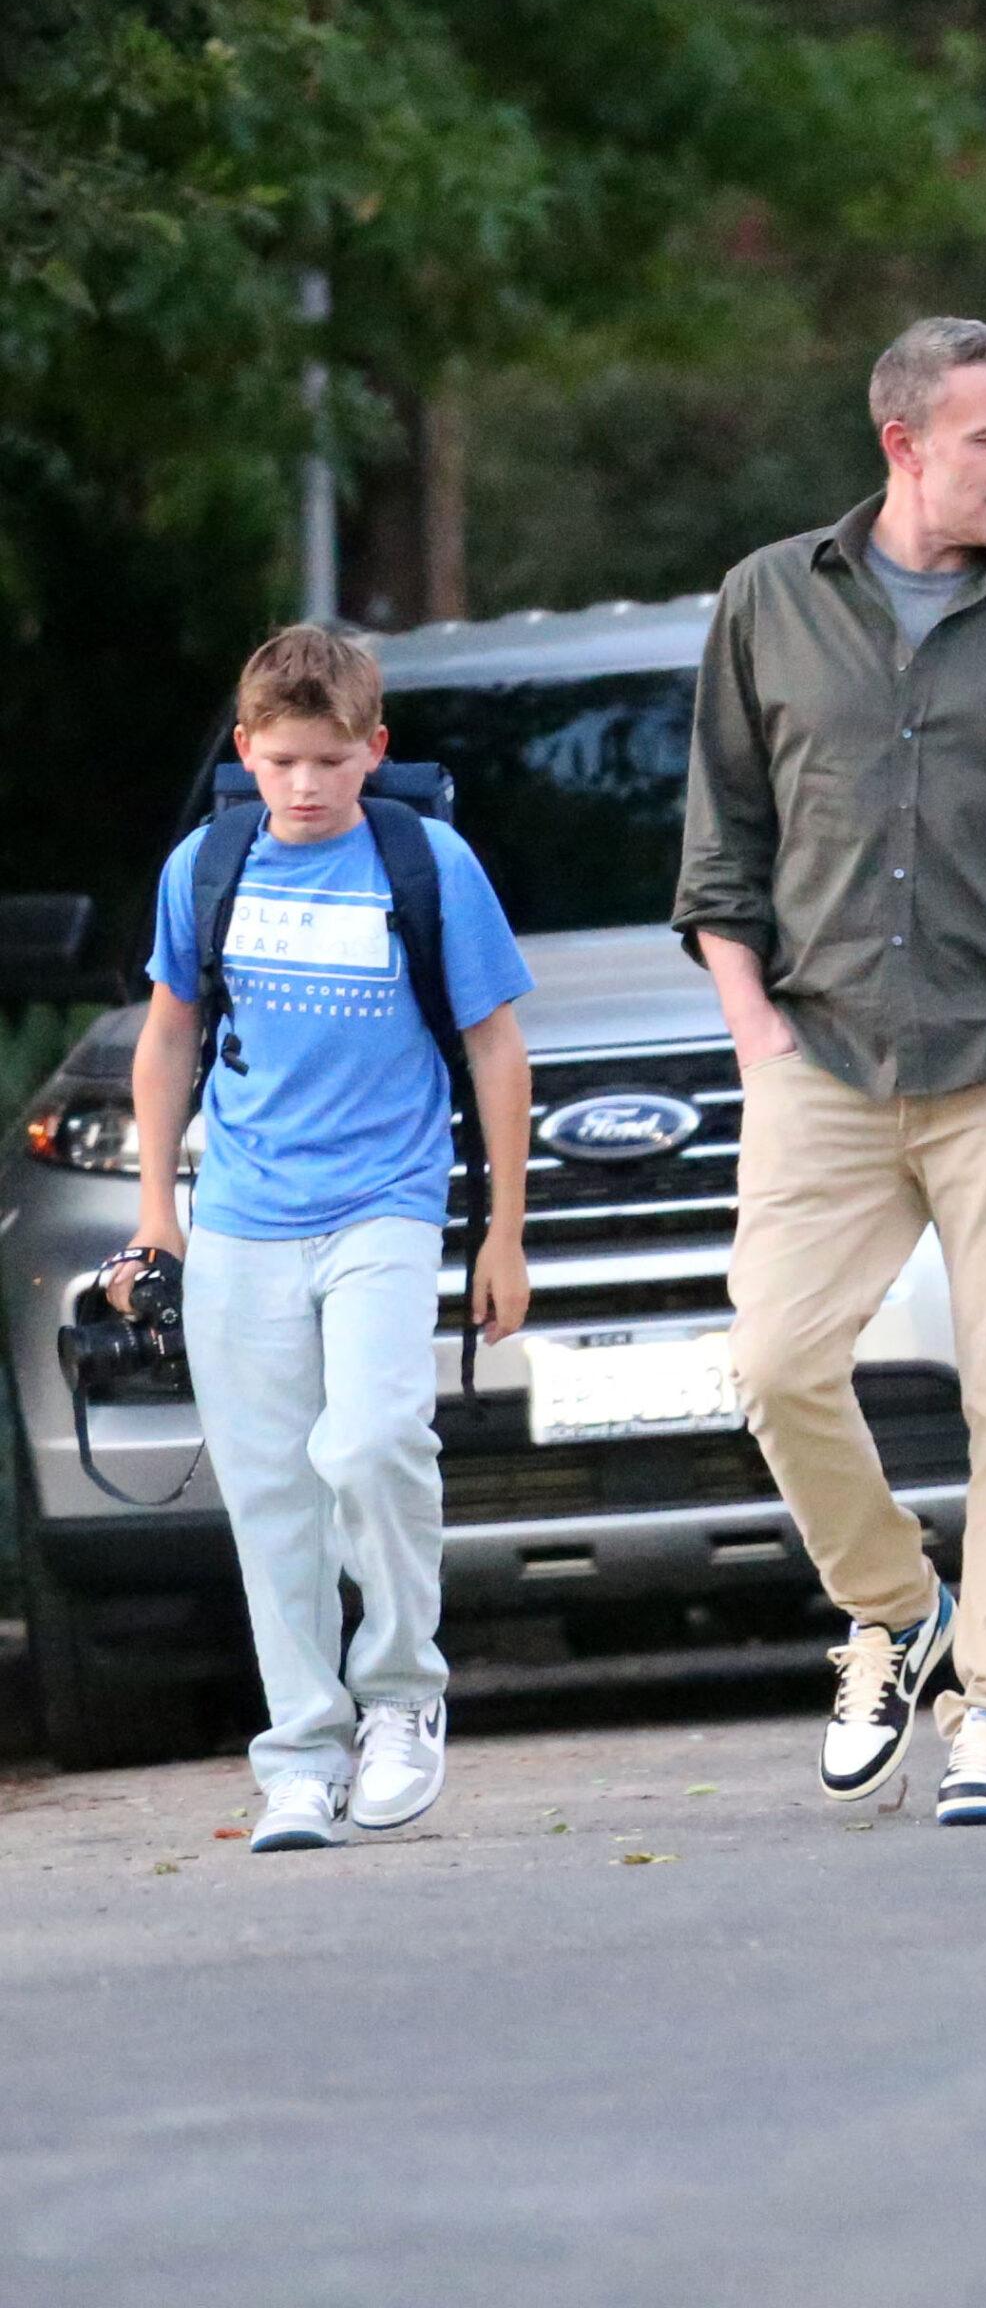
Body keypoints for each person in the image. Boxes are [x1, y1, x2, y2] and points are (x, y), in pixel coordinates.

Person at [674, 317, 986, 1824]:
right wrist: (753, 1029)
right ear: (901, 446)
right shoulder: (770, 597)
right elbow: (720, 848)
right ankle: (895, 1606)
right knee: (771, 1365)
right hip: (815, 1054)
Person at [109, 626, 534, 1852]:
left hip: (386, 1202)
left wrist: (503, 1231)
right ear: (246, 751)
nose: (306, 785)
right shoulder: (207, 863)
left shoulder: (426, 862)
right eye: (284, 759)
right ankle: (300, 1751)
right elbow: (169, 1035)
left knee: (377, 1439)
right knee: (269, 1491)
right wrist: (158, 1214)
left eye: (332, 759)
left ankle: (402, 1699)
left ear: (373, 751)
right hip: (242, 1211)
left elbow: (496, 1045)